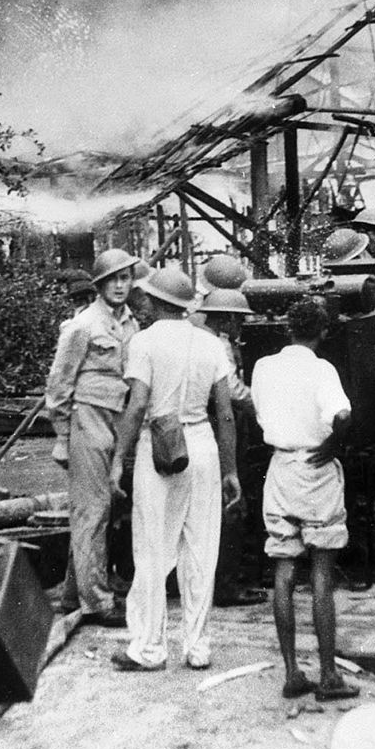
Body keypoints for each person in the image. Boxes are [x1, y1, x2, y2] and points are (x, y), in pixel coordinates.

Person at [108, 267, 241, 671]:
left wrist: (118, 460)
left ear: (154, 301)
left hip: (159, 447)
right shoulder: (211, 344)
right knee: (201, 550)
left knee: (151, 547)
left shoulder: (142, 343)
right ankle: (197, 647)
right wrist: (230, 470)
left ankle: (149, 647)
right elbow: (226, 415)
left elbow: (135, 408)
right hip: (202, 445)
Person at [250, 297, 360, 702]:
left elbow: (257, 412)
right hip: (315, 471)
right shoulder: (322, 369)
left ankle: (292, 671)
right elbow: (343, 416)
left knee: (282, 570)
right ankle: (329, 675)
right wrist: (333, 445)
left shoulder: (264, 366)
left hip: (280, 469)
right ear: (324, 332)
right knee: (320, 575)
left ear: (287, 328)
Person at [43, 248, 140, 625]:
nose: (120, 285)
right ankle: (97, 602)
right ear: (99, 284)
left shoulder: (131, 324)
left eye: (125, 278)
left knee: (99, 510)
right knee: (92, 511)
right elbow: (59, 384)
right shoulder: (82, 325)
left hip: (117, 421)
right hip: (87, 420)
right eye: (113, 279)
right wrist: (63, 436)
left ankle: (74, 593)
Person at [196, 286, 268, 608]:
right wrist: (264, 403)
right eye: (238, 319)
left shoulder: (202, 338)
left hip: (211, 423)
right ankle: (226, 583)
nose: (241, 326)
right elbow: (233, 392)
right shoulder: (218, 345)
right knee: (232, 504)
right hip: (222, 423)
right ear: (226, 319)